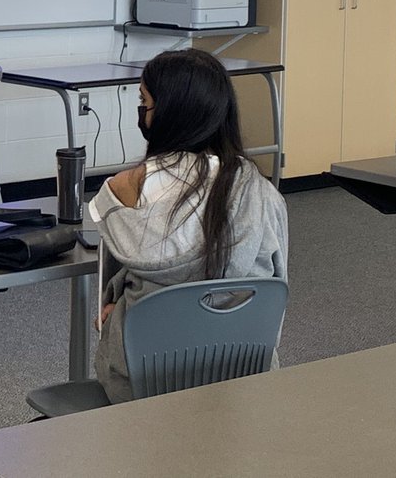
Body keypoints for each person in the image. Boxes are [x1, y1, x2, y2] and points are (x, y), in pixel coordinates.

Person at [89, 48, 288, 403]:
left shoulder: (126, 189)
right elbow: (275, 286)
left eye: (144, 101)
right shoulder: (261, 192)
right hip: (242, 379)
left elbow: (106, 307)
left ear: (166, 112)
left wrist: (116, 309)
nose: (142, 112)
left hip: (142, 384)